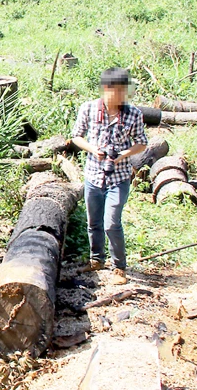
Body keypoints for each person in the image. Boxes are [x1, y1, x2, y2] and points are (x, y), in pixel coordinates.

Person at [70, 67, 148, 285]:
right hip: (94, 175)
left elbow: (142, 143)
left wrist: (123, 154)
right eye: (120, 91)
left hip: (119, 177)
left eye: (126, 91)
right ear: (107, 89)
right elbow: (76, 136)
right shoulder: (88, 109)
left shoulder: (133, 114)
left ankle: (119, 267)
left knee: (111, 223)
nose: (123, 96)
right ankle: (96, 259)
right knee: (93, 222)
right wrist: (93, 149)